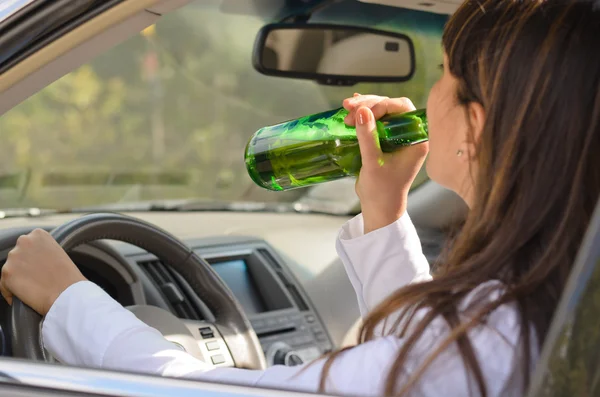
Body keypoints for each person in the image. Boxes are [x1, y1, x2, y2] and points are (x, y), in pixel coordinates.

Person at [1, 0, 599, 396]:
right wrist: (385, 206)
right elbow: (414, 349)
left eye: (445, 72)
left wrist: (68, 297)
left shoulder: (486, 341)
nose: (430, 90)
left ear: (476, 124)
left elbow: (205, 393)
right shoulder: (536, 307)